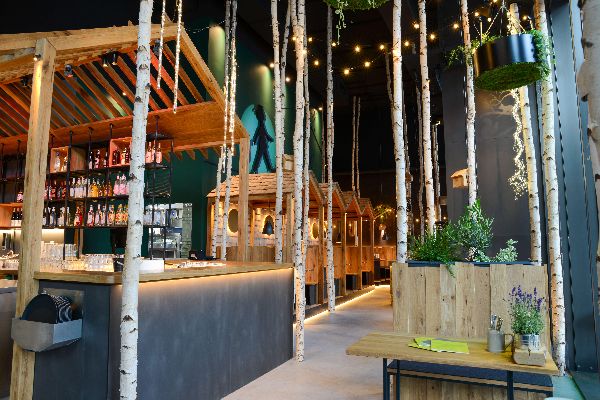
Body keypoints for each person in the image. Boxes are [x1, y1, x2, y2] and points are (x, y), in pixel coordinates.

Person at [250, 105, 275, 173]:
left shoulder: (261, 124)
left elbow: (261, 132)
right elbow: (262, 132)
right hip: (262, 141)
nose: (264, 115)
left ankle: (268, 168)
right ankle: (255, 170)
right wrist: (269, 138)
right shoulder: (261, 124)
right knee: (260, 156)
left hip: (262, 141)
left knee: (263, 155)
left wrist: (255, 139)